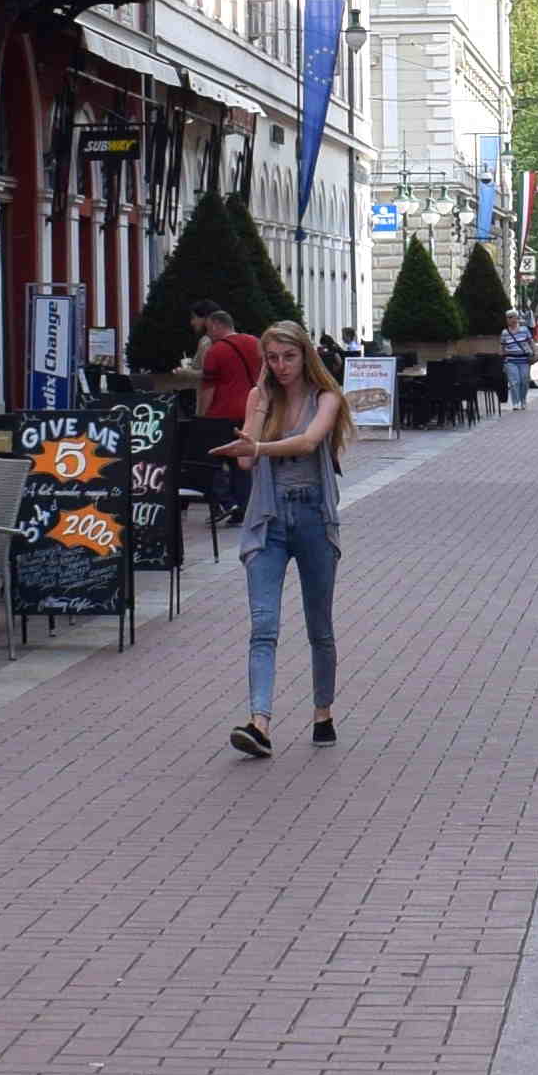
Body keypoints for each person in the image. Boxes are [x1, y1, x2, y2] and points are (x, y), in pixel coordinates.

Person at [230, 321, 352, 759]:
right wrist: (259, 408)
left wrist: (258, 448)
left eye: (288, 357)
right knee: (263, 626)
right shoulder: (259, 397)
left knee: (319, 625)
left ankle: (323, 713)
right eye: (272, 358)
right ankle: (259, 723)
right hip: (269, 520)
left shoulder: (327, 398)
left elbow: (307, 442)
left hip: (314, 519)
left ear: (305, 356)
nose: (280, 366)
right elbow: (245, 463)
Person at [192, 314, 265, 531]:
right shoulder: (255, 343)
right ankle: (242, 507)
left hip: (221, 414)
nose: (208, 334)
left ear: (216, 324)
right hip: (250, 412)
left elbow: (209, 388)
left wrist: (201, 416)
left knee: (211, 460)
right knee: (242, 462)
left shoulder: (216, 351)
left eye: (208, 329)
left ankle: (227, 501)